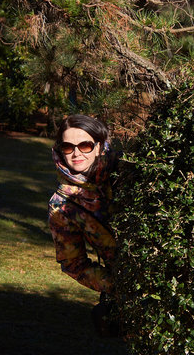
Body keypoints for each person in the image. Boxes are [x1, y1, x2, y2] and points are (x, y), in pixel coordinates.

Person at [48, 114, 120, 336]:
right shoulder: (61, 205)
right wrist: (119, 285)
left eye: (85, 145)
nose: (77, 153)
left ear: (99, 147)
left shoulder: (129, 173)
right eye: (68, 147)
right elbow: (74, 264)